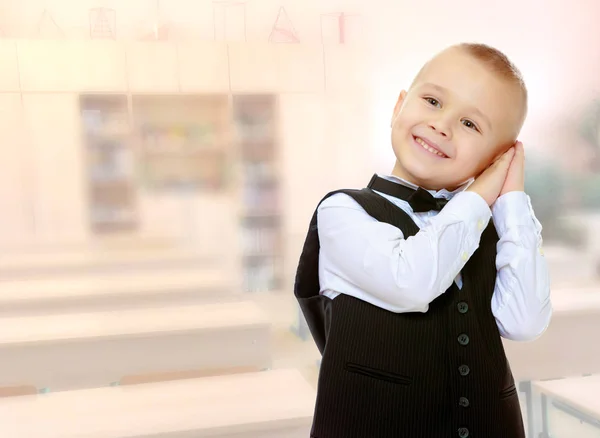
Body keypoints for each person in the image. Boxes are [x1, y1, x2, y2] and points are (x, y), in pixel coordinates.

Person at [294, 42, 552, 438]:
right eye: (433, 101)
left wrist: (512, 199)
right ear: (399, 107)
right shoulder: (343, 213)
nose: (442, 125)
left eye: (470, 124)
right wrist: (478, 196)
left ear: (495, 159)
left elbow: (524, 321)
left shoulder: (482, 228)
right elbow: (411, 280)